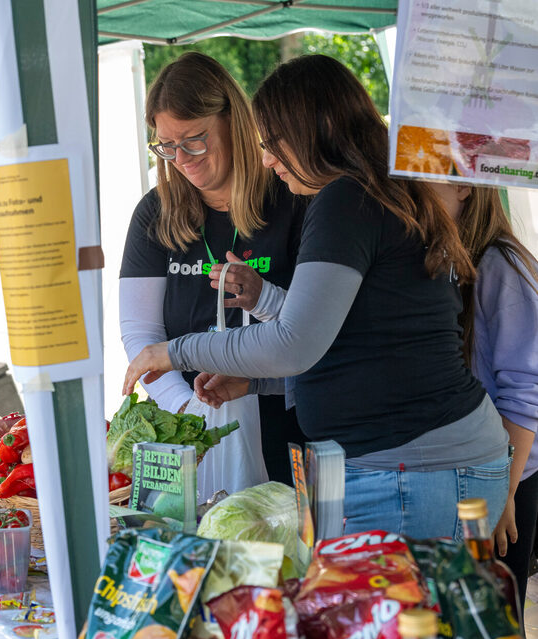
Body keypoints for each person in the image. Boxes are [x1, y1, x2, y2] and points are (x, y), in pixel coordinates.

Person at [123, 54, 509, 540]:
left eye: (274, 144)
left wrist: (170, 351)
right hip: (417, 466)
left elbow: (294, 341)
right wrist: (256, 383)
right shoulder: (373, 191)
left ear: (316, 130)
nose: (267, 159)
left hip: (413, 470)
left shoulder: (346, 199)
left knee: (409, 617)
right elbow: (354, 341)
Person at [119, 51, 306, 488]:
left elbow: (318, 327)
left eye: (194, 140)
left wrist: (265, 298)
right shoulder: (155, 213)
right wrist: (189, 411)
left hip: (293, 429)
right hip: (192, 440)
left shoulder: (293, 195)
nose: (181, 158)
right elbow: (140, 336)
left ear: (232, 121)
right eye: (166, 146)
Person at [431, 182, 538, 605]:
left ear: (464, 187)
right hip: (470, 479)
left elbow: (526, 394)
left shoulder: (501, 263)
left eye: (424, 178)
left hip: (505, 481)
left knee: (495, 628)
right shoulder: (450, 260)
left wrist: (503, 492)